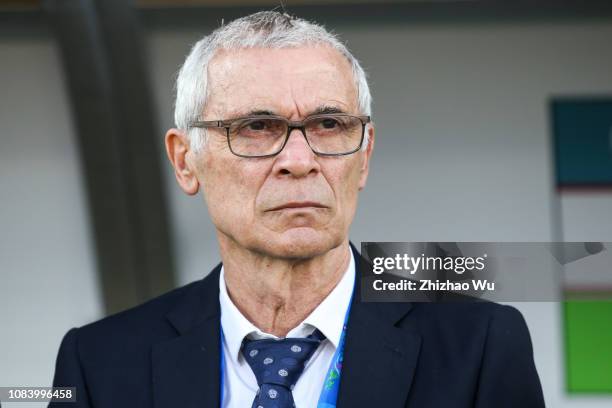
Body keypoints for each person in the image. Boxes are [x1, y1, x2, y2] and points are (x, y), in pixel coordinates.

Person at [50, 11, 545, 408]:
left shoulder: (478, 346)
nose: (299, 160)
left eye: (329, 124)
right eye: (256, 127)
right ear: (186, 161)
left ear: (365, 154)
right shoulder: (99, 363)